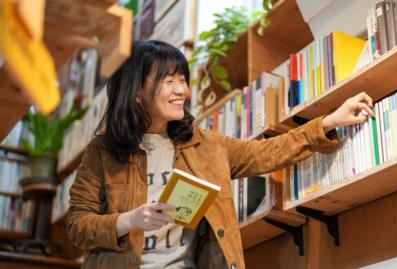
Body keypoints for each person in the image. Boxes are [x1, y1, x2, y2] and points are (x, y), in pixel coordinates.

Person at [66, 40, 374, 269]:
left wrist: (329, 122)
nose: (181, 91)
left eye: (183, 80)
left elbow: (267, 152)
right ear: (136, 91)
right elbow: (78, 226)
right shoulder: (102, 152)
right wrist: (129, 220)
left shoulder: (207, 145)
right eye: (168, 81)